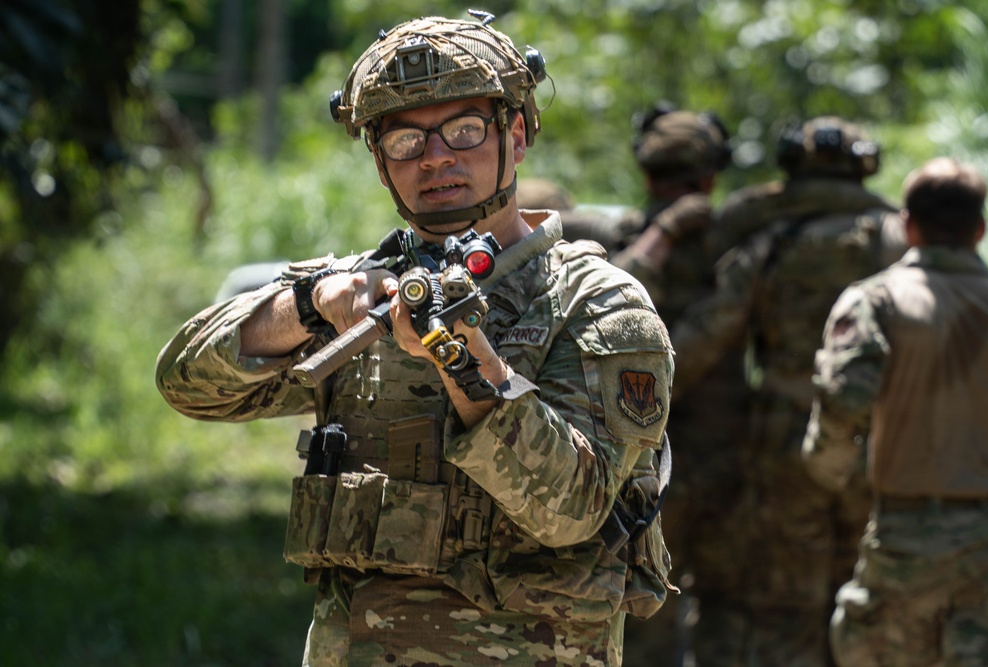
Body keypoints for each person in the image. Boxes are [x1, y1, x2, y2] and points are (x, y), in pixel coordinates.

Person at [155, 12, 674, 667]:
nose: (435, 158)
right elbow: (186, 384)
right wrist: (312, 306)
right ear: (380, 163)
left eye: (464, 130)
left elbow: (571, 509)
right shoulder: (360, 292)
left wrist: (462, 356)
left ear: (515, 135)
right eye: (405, 140)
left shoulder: (596, 302)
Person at [667, 116, 908, 666]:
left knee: (787, 604)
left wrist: (633, 398)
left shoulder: (769, 241)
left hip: (784, 445)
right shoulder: (893, 239)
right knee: (869, 593)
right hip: (877, 443)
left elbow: (706, 335)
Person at [802, 157, 988, 666]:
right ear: (980, 229)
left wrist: (829, 473)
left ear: (908, 226)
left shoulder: (875, 301)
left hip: (908, 534)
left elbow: (845, 399)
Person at [603, 105, 753, 667]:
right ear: (712, 178)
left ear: (646, 175)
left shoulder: (624, 244)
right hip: (722, 454)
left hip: (639, 462)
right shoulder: (735, 244)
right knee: (725, 607)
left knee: (645, 605)